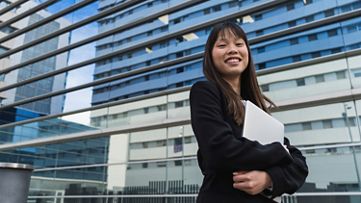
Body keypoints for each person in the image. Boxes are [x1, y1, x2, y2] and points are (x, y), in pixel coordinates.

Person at [189, 21, 308, 203]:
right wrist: (280, 152)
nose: (232, 50)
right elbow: (220, 150)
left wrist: (268, 178)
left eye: (239, 44)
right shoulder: (205, 91)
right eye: (222, 45)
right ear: (210, 56)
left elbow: (299, 165)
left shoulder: (256, 109)